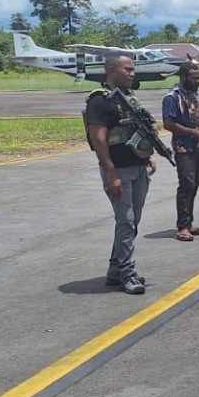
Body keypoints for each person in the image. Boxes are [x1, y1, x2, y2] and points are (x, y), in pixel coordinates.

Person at [83, 53, 157, 294]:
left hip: (137, 168)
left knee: (132, 221)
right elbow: (98, 139)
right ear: (111, 71)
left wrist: (147, 157)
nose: (132, 73)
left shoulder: (128, 99)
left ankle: (115, 270)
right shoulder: (99, 101)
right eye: (127, 69)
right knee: (125, 221)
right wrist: (111, 173)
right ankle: (128, 273)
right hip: (118, 171)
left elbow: (136, 133)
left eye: (133, 69)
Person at [161, 62, 199, 242]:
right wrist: (193, 132)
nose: (197, 81)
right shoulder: (172, 98)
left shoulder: (193, 95)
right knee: (186, 184)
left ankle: (189, 222)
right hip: (183, 147)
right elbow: (168, 123)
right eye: (194, 78)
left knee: (194, 184)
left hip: (198, 147)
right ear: (184, 77)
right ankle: (182, 227)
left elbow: (198, 117)